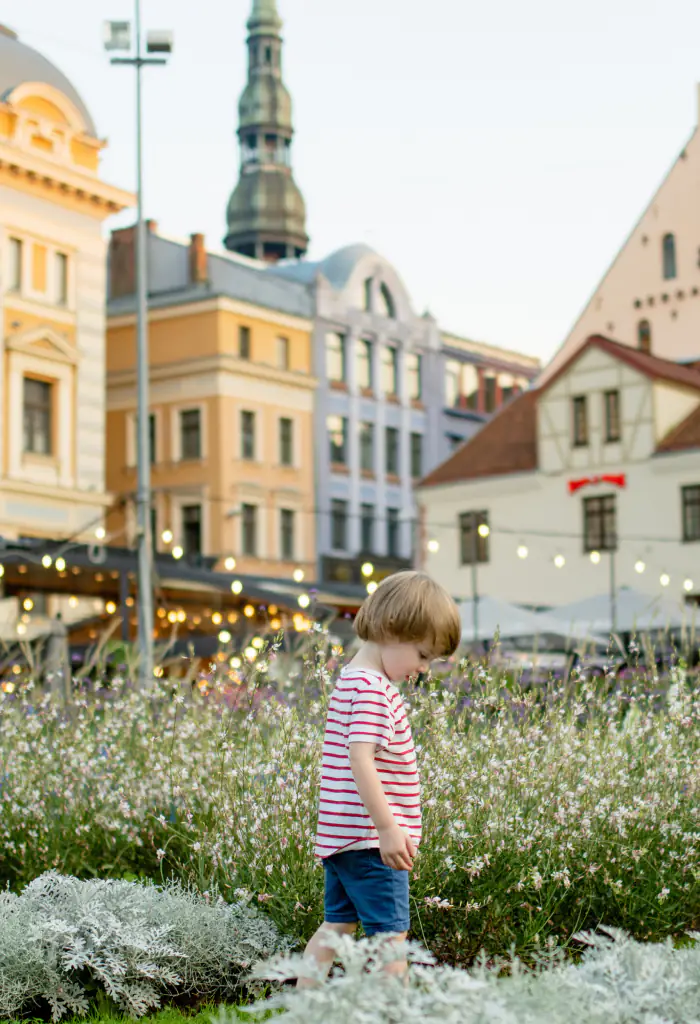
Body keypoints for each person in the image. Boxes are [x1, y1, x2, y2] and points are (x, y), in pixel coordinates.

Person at [298, 570, 461, 986]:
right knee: (391, 942)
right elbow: (361, 759)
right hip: (372, 842)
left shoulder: (352, 679)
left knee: (336, 927)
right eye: (423, 655)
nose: (424, 669)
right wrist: (388, 828)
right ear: (392, 629)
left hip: (343, 837)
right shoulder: (373, 689)